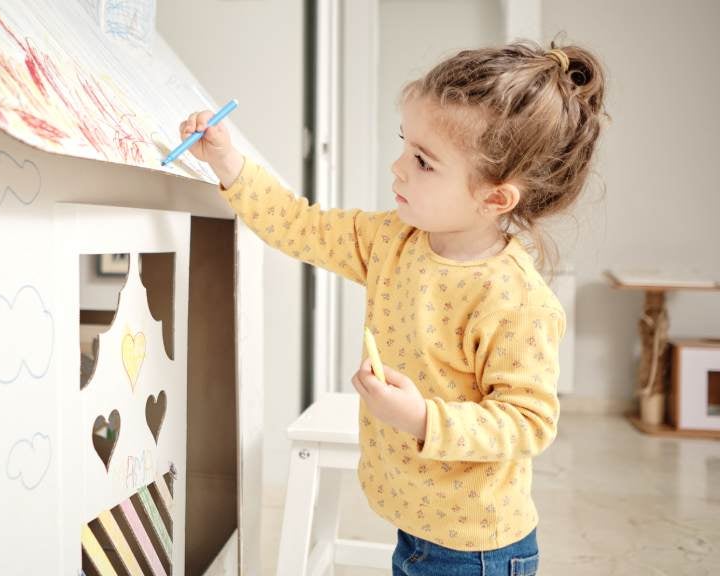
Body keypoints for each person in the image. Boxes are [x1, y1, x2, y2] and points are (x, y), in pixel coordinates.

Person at [178, 40, 607, 575]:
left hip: (476, 548)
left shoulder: (515, 299)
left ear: (495, 199)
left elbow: (527, 423)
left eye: (424, 162)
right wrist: (228, 161)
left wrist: (420, 417)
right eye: (406, 144)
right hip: (418, 523)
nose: (398, 167)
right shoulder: (393, 239)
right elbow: (300, 225)